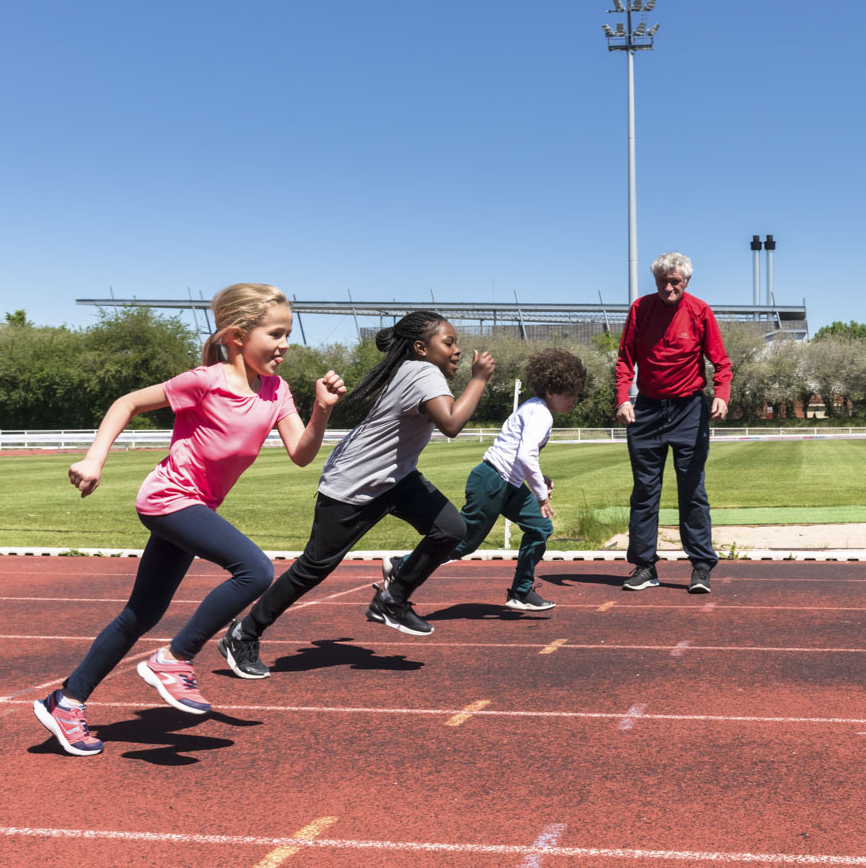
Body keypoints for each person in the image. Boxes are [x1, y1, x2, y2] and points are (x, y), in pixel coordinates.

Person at [33, 283, 346, 756]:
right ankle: (173, 659)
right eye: (276, 333)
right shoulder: (206, 379)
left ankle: (67, 701)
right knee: (255, 569)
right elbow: (127, 403)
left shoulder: (277, 391)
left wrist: (322, 409)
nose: (285, 344)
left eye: (288, 333)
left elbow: (302, 454)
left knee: (142, 614)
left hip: (196, 506)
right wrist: (94, 460)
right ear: (239, 336)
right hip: (167, 498)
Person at [216, 311, 493, 680]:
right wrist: (479, 378)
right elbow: (452, 423)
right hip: (355, 483)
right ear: (421, 348)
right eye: (449, 343)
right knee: (313, 568)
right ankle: (243, 633)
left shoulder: (416, 369)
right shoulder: (424, 372)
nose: (457, 351)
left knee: (451, 528)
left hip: (396, 479)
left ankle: (392, 598)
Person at [379, 348, 587, 612]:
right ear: (550, 391)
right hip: (491, 482)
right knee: (463, 543)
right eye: (569, 394)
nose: (574, 400)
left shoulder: (537, 409)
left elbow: (518, 453)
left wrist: (539, 477)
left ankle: (521, 592)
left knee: (540, 528)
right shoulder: (541, 413)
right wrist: (541, 495)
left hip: (507, 484)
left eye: (577, 394)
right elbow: (524, 454)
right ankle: (401, 565)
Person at [614, 251, 732, 594]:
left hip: (689, 410)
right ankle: (644, 566)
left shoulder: (700, 311)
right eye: (663, 281)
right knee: (645, 491)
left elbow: (721, 363)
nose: (669, 287)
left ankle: (700, 566)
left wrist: (721, 394)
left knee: (692, 489)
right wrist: (623, 397)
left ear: (687, 282)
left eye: (675, 282)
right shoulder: (640, 309)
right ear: (655, 281)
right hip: (647, 410)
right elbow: (625, 359)